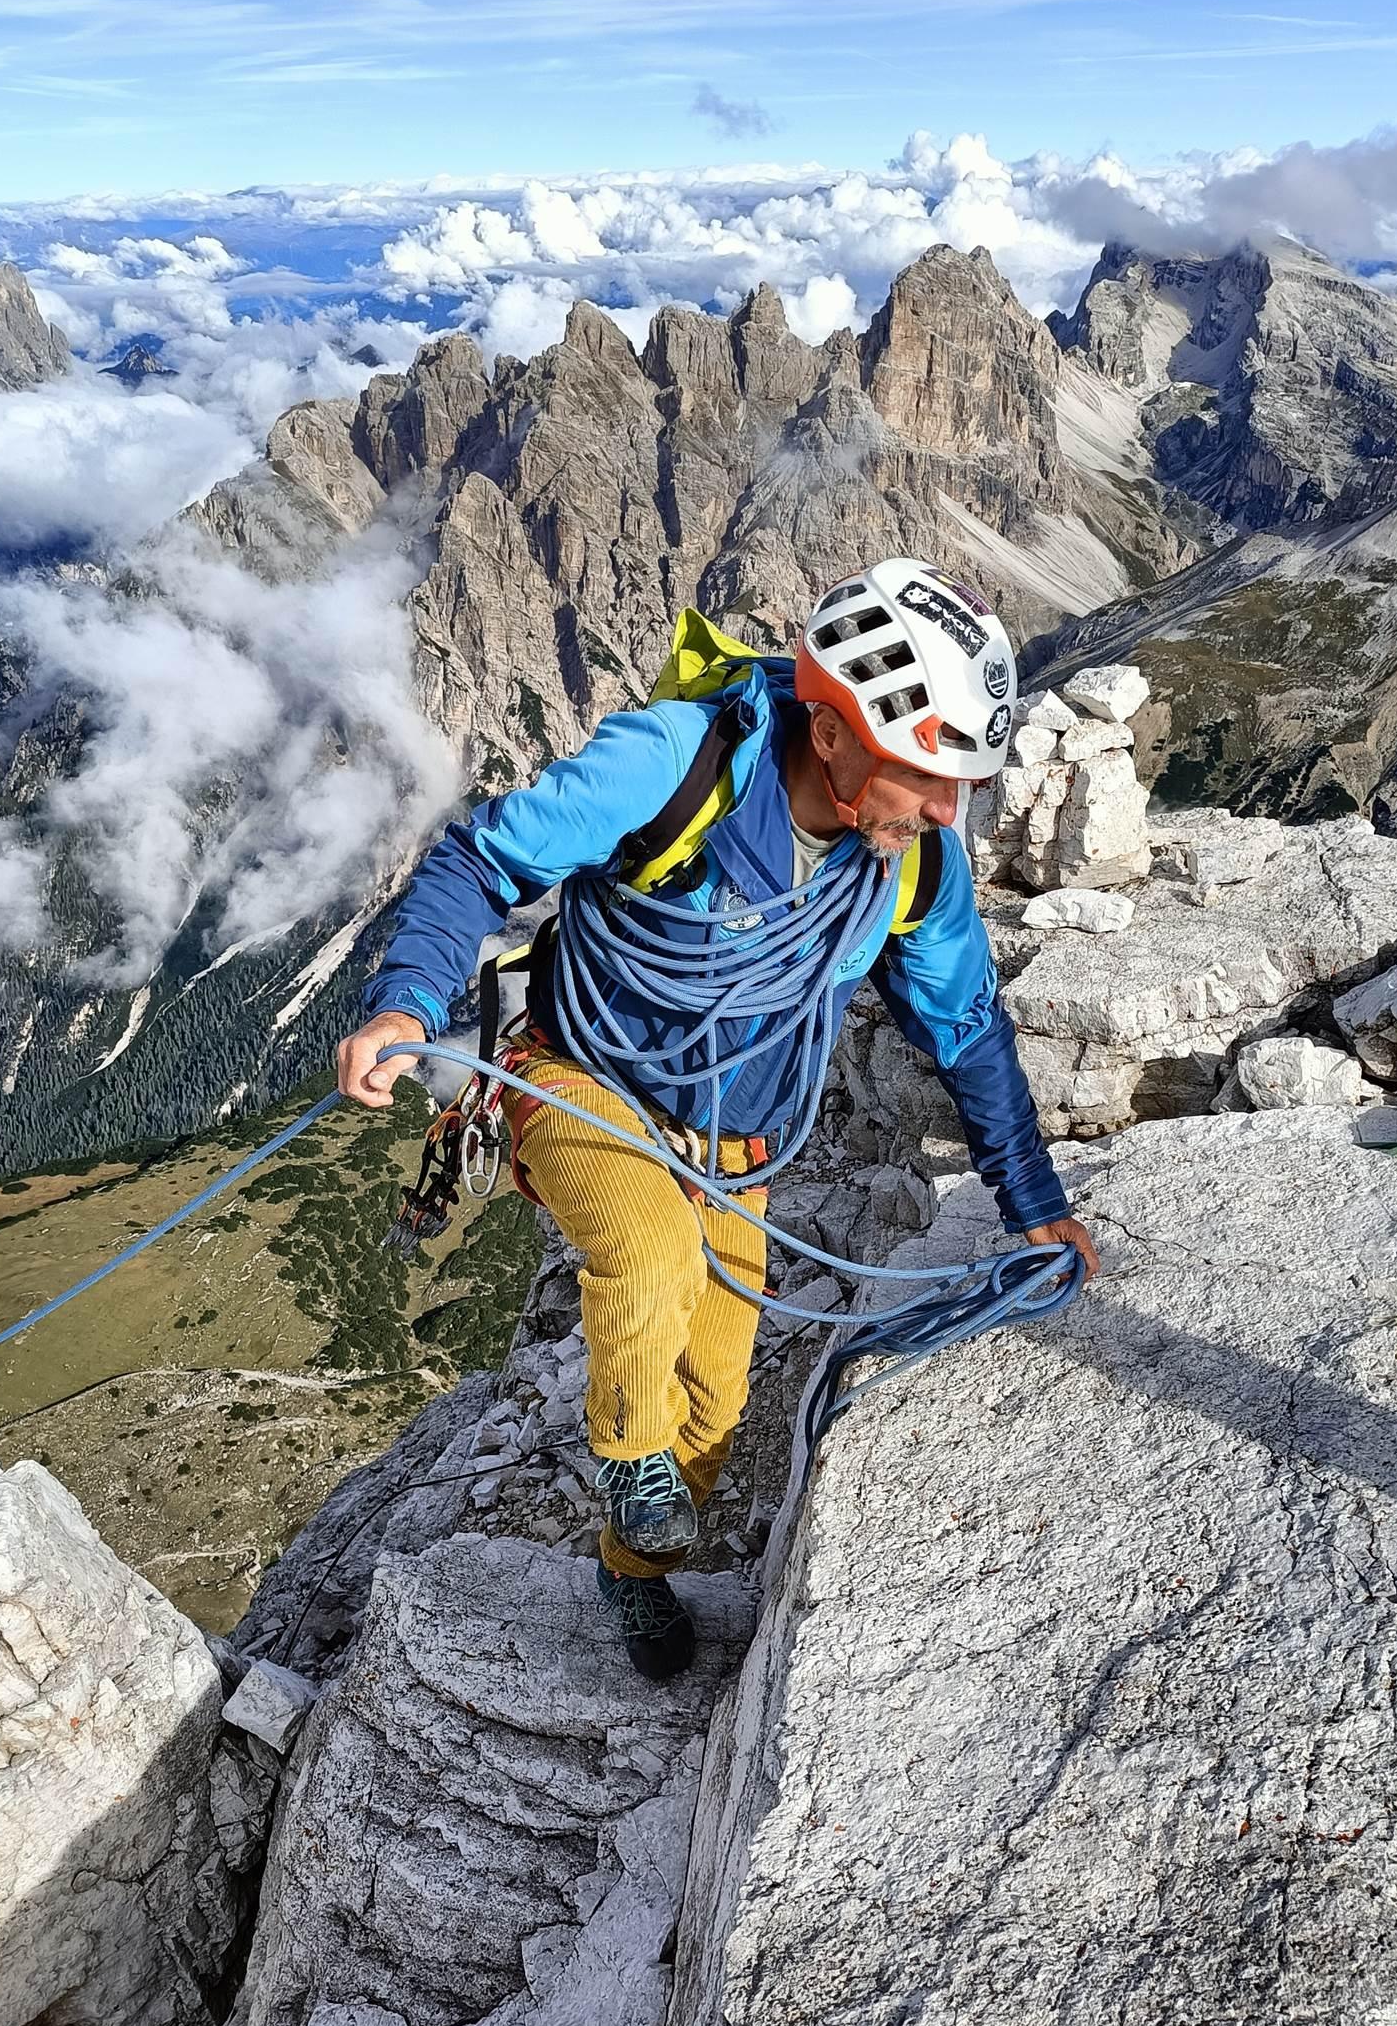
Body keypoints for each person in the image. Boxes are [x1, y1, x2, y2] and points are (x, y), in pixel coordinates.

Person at [338, 559, 1098, 1679]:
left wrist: (1033, 1205)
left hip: (737, 1137)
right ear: (832, 731)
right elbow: (479, 858)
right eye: (925, 778)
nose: (948, 811)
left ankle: (627, 1567)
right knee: (644, 1250)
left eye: (962, 784)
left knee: (718, 1398)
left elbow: (967, 1027)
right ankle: (627, 1458)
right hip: (579, 1072)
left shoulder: (912, 867)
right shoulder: (673, 763)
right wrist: (403, 998)